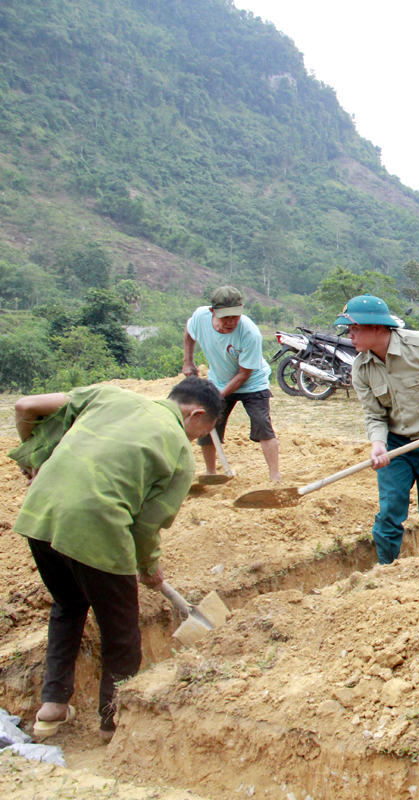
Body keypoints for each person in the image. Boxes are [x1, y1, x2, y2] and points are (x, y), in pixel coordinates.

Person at [9, 377, 222, 744]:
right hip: (96, 528)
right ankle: (113, 724)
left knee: (68, 606)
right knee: (121, 635)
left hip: (39, 517)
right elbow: (145, 527)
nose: (197, 440)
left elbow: (25, 407)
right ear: (196, 413)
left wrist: (34, 461)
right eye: (203, 432)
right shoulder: (179, 455)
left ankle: (52, 707)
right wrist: (149, 567)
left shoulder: (109, 396)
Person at [336, 295, 419, 561]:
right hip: (396, 445)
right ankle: (387, 571)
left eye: (354, 329)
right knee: (390, 511)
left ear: (377, 328)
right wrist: (378, 444)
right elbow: (374, 414)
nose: (349, 336)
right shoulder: (361, 368)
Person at [183, 286, 281, 482]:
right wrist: (188, 361)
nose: (230, 322)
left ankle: (275, 477)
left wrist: (219, 396)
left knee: (263, 424)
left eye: (235, 316)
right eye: (225, 317)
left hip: (253, 382)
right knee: (207, 422)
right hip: (218, 378)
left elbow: (244, 374)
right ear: (212, 312)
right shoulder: (200, 317)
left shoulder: (250, 333)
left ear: (242, 310)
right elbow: (189, 332)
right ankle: (211, 473)